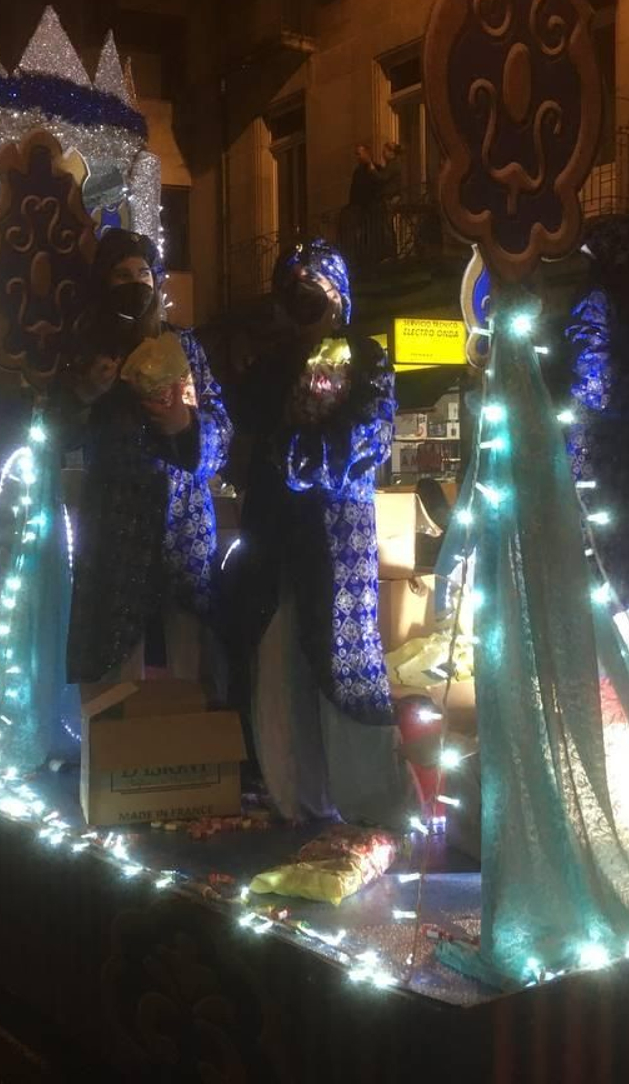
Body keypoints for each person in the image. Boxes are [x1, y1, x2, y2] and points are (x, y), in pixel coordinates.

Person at [223, 239, 418, 825]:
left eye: (315, 287)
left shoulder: (366, 358)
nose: (302, 299)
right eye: (292, 289)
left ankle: (371, 803)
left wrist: (295, 453)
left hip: (336, 540)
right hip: (272, 538)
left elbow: (367, 441)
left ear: (339, 296)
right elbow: (240, 436)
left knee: (346, 667)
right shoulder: (270, 365)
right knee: (277, 661)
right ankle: (295, 797)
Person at [60, 227, 231, 699]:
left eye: (143, 273)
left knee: (184, 662)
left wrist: (183, 424)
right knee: (116, 670)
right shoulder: (87, 350)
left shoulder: (184, 346)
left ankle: (182, 738)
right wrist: (84, 395)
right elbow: (55, 434)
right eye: (121, 275)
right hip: (114, 529)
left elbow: (221, 428)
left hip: (182, 528)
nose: (135, 283)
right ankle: (116, 740)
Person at [539, 216, 629, 605]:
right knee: (605, 552)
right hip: (600, 454)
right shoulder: (596, 302)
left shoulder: (614, 304)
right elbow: (594, 382)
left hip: (618, 449)